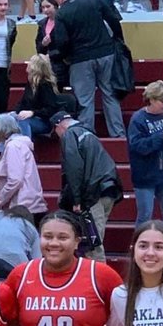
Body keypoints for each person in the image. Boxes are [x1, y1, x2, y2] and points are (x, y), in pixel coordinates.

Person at [50, 0, 125, 139]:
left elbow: (62, 42)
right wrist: (118, 41)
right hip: (105, 52)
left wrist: (65, 57)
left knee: (85, 100)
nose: (55, 0)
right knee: (110, 96)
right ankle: (118, 135)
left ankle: (87, 137)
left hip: (80, 59)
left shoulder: (62, 13)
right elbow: (113, 19)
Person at [52, 111, 122, 262]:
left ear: (59, 126)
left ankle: (97, 275)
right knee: (97, 237)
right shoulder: (89, 133)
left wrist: (76, 199)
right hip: (109, 188)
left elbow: (74, 168)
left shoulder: (70, 135)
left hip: (93, 192)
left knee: (93, 243)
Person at [128, 81, 163, 238]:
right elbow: (138, 146)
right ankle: (139, 245)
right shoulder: (138, 119)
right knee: (144, 217)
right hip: (145, 176)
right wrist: (161, 136)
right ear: (151, 99)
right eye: (162, 101)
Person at [0, 115, 44, 217]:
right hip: (27, 204)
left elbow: (15, 180)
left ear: (2, 128)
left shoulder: (13, 146)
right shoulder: (17, 144)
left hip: (21, 205)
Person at [13, 54, 64, 140]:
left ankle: (25, 146)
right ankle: (5, 148)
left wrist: (32, 113)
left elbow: (51, 109)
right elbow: (22, 103)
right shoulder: (30, 83)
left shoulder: (46, 85)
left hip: (43, 121)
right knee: (4, 119)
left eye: (30, 62)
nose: (28, 64)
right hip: (30, 117)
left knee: (23, 121)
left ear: (35, 67)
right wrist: (17, 112)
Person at [35, 0, 69, 89]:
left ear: (55, 6)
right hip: (46, 66)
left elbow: (66, 44)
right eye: (43, 7)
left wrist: (50, 55)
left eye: (48, 6)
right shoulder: (41, 24)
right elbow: (38, 48)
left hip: (62, 65)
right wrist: (43, 44)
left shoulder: (63, 21)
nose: (45, 10)